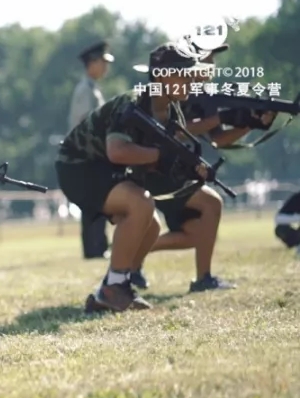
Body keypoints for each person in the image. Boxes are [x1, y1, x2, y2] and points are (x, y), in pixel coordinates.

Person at [56, 42, 213, 312]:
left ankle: (115, 286)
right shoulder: (135, 102)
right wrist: (159, 155)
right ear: (163, 76)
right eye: (186, 74)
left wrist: (189, 169)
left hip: (104, 169)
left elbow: (157, 158)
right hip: (78, 166)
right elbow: (117, 151)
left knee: (150, 226)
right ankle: (113, 287)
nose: (192, 80)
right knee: (141, 204)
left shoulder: (172, 109)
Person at [130, 44, 275, 292]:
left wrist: (251, 124)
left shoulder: (205, 95)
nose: (211, 65)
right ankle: (203, 279)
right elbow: (175, 130)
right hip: (158, 171)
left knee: (197, 233)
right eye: (206, 59)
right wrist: (222, 117)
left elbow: (219, 139)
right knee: (212, 203)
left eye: (212, 60)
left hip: (179, 171)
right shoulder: (168, 90)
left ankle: (132, 256)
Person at [68, 40, 115, 260]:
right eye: (103, 62)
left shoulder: (91, 88)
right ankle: (95, 248)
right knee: (93, 203)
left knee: (97, 202)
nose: (106, 67)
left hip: (93, 153)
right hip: (88, 154)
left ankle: (98, 246)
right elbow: (85, 124)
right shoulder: (85, 90)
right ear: (93, 62)